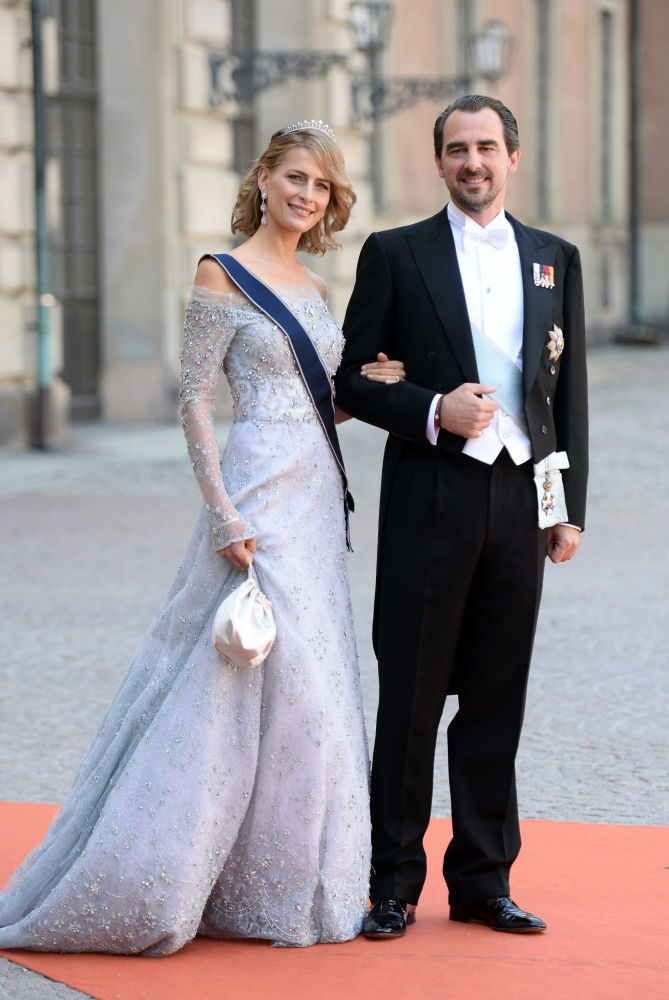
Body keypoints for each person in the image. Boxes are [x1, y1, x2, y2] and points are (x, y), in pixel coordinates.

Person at [0, 121, 405, 954]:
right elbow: (193, 400)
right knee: (247, 674)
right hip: (255, 497)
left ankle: (279, 885)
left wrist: (368, 389)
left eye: (321, 185)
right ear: (263, 178)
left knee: (308, 695)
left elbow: (314, 406)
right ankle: (161, 873)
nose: (306, 195)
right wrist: (223, 512)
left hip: (315, 500)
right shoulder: (221, 272)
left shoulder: (313, 284)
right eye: (294, 177)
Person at [334, 95, 588, 938]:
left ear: (511, 155)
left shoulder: (553, 258)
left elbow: (564, 395)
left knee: (494, 695)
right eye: (455, 149)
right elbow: (351, 381)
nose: (471, 162)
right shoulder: (394, 252)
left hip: (519, 499)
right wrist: (431, 407)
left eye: (484, 147)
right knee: (409, 697)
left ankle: (482, 880)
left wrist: (564, 509)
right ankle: (392, 884)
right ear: (438, 160)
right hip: (429, 495)